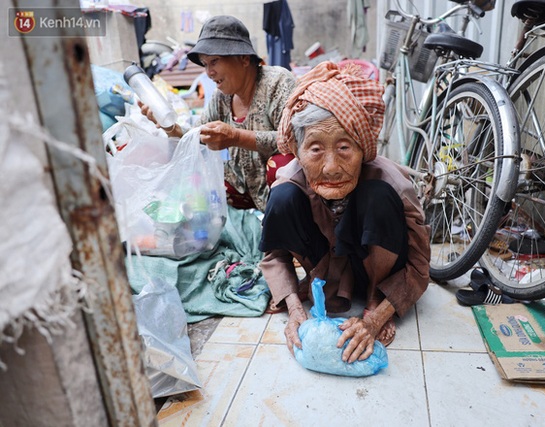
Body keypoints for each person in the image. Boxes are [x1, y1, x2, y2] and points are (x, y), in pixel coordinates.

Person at [258, 61, 431, 364]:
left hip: (377, 277)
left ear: (363, 149)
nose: (331, 167)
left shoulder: (391, 182)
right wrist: (294, 307)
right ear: (298, 151)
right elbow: (274, 253)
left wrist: (377, 316)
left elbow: (418, 265)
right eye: (314, 149)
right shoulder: (290, 180)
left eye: (344, 148)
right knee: (282, 197)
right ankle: (325, 288)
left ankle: (374, 298)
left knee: (377, 196)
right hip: (326, 275)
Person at [140, 15, 296, 211]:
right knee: (200, 182)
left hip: (281, 196)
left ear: (244, 58)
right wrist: (168, 125)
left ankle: (283, 231)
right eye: (205, 64)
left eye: (214, 61)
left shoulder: (278, 83)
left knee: (282, 164)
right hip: (246, 190)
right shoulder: (221, 97)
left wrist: (236, 137)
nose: (209, 72)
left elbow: (295, 139)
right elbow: (197, 136)